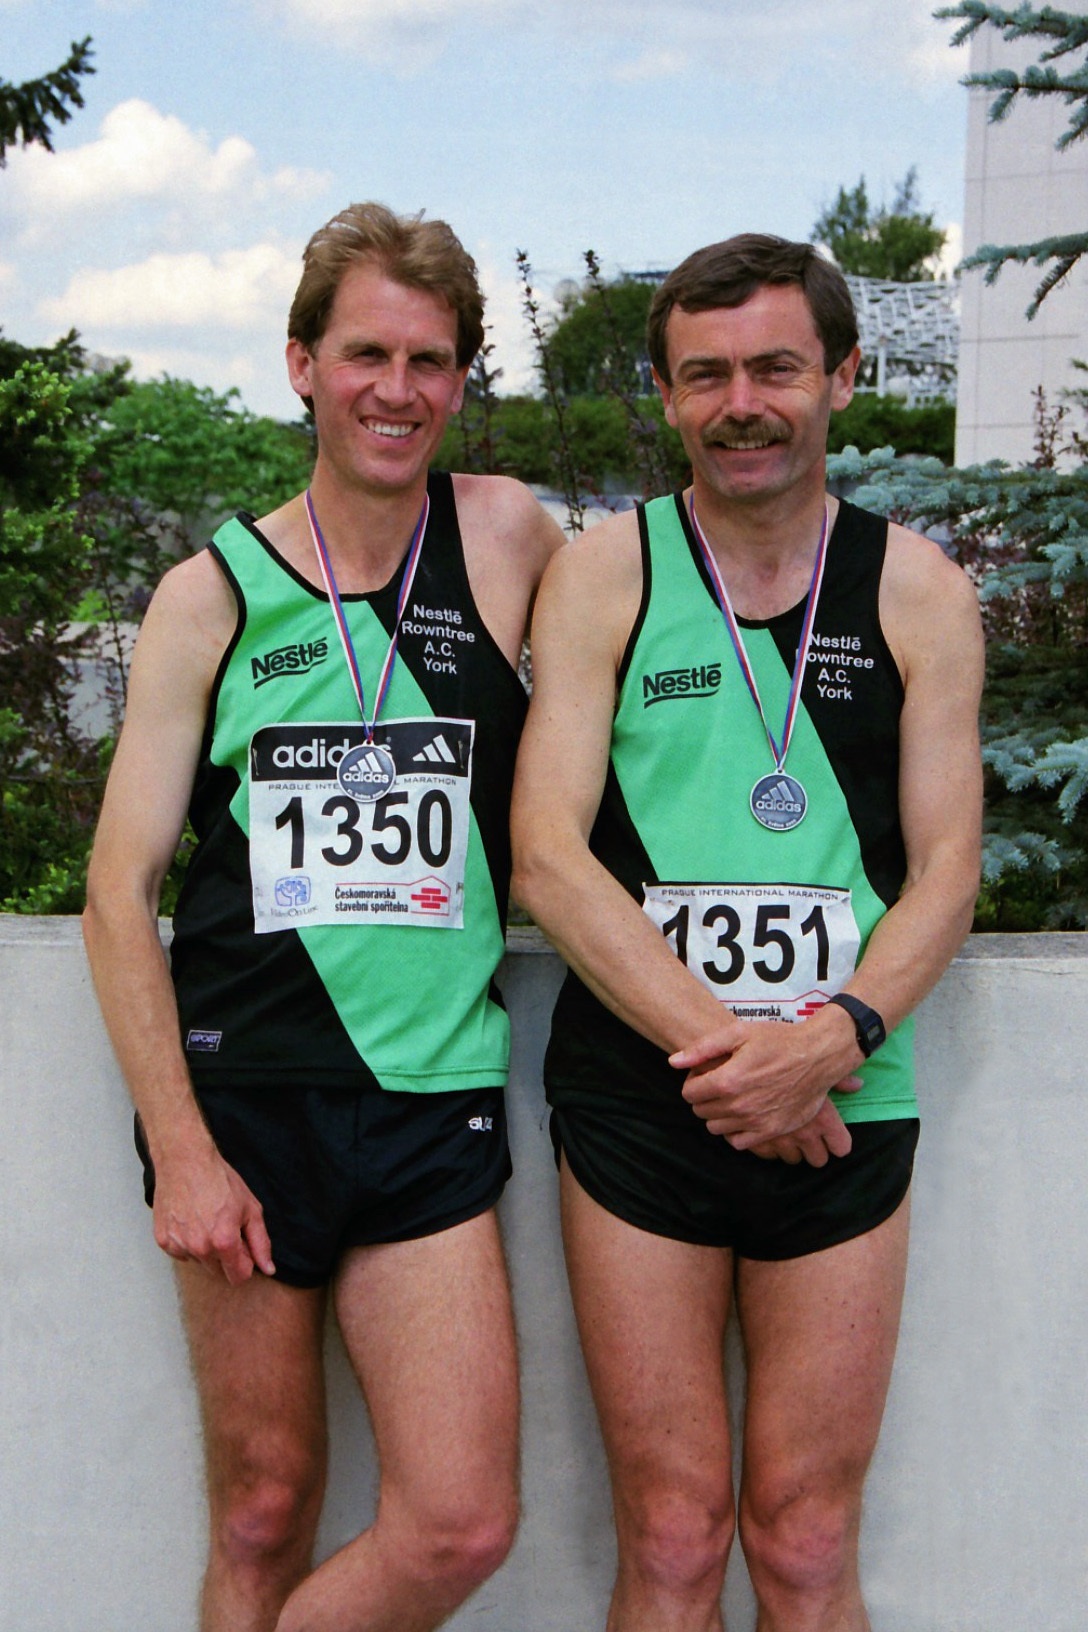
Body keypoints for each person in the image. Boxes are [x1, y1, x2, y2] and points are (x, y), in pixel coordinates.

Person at [83, 201, 562, 1632]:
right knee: (262, 1505)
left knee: (460, 1521)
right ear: (301, 363)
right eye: (366, 354)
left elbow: (668, 625)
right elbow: (118, 894)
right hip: (246, 1106)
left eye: (429, 362)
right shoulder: (207, 594)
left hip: (430, 1101)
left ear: (463, 382)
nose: (395, 391)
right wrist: (180, 1151)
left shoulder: (508, 535)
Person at [511, 233, 983, 1632]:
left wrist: (825, 1041)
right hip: (647, 1098)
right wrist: (739, 1058)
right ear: (664, 394)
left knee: (800, 1537)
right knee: (669, 1534)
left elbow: (949, 870)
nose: (744, 403)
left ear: (842, 374)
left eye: (776, 367)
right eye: (705, 375)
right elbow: (546, 853)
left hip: (846, 1096)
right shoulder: (604, 574)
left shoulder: (918, 591)